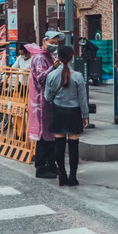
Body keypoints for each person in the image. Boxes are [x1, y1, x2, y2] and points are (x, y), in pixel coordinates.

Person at [45, 46, 89, 187]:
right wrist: (85, 115)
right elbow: (83, 99)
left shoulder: (51, 75)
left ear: (59, 57)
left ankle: (61, 175)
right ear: (72, 57)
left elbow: (47, 97)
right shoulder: (78, 76)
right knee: (73, 146)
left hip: (58, 112)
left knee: (59, 144)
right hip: (73, 113)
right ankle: (73, 177)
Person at [26, 31, 64, 179]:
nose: (54, 46)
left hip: (50, 102)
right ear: (44, 40)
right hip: (41, 103)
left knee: (51, 135)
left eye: (56, 43)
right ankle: (41, 167)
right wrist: (52, 68)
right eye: (52, 42)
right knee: (43, 136)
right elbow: (41, 79)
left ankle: (51, 165)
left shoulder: (50, 57)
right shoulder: (39, 58)